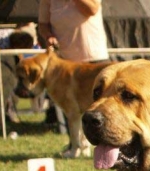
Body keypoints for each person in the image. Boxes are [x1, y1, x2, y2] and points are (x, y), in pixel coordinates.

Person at [38, 0, 109, 158]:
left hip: (94, 58)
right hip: (65, 61)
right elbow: (42, 24)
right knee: (72, 109)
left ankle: (106, 146)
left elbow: (92, 9)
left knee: (101, 107)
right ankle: (77, 146)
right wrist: (48, 35)